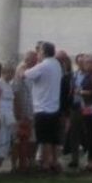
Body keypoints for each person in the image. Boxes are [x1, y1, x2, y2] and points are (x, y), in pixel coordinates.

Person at [23, 41, 64, 174]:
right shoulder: (57, 64)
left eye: (39, 51)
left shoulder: (43, 65)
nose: (38, 53)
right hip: (54, 106)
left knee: (45, 138)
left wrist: (22, 68)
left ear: (43, 52)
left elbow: (26, 75)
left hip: (42, 107)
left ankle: (46, 164)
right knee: (53, 138)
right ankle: (55, 161)